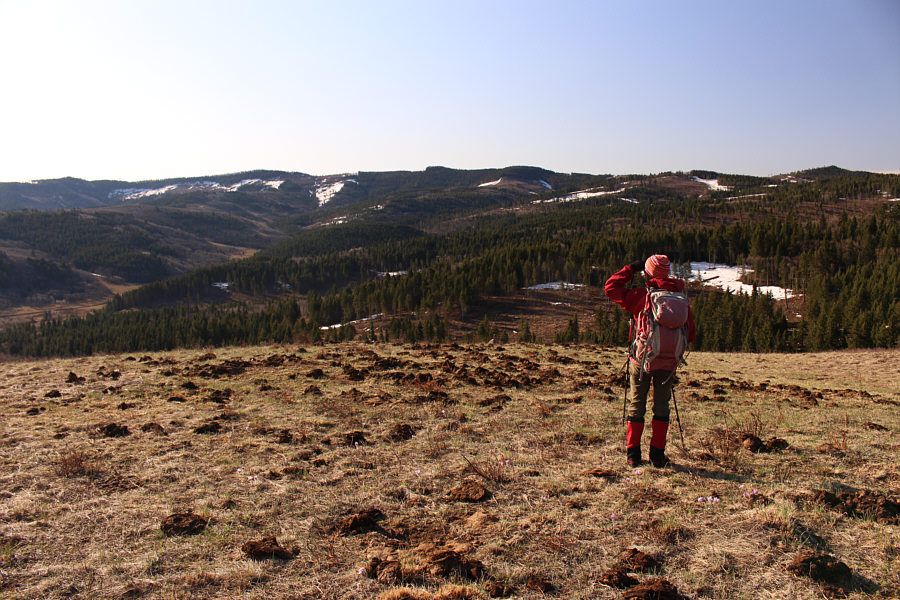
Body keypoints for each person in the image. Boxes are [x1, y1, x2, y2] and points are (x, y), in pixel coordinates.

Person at [604, 255, 696, 468]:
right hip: (669, 363)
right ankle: (657, 456)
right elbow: (690, 334)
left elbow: (611, 288)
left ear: (648, 273)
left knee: (637, 404)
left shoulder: (642, 295)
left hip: (642, 360)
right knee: (662, 407)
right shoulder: (679, 298)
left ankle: (633, 455)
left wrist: (629, 269)